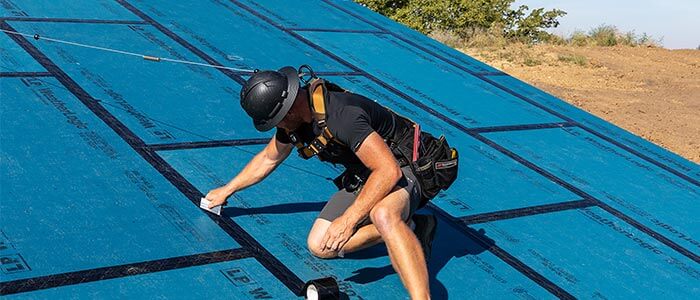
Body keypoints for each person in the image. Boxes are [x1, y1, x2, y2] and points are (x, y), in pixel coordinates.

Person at [205, 66, 458, 299]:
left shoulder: (342, 116)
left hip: (406, 165)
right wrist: (227, 190)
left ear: (289, 110)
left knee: (383, 214)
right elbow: (269, 159)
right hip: (367, 170)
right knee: (320, 245)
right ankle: (414, 228)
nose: (276, 127)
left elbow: (388, 171)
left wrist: (349, 221)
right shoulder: (295, 120)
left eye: (276, 121)